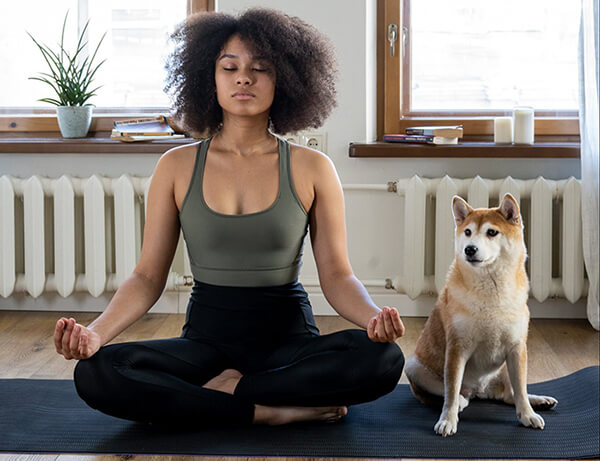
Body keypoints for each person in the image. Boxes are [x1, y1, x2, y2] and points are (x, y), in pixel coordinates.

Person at [53, 7, 405, 428]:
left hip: (288, 342)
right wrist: (95, 334)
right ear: (209, 78)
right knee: (97, 372)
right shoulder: (176, 166)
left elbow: (337, 276)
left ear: (286, 81)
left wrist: (372, 320)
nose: (244, 78)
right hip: (206, 342)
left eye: (260, 68)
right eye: (229, 67)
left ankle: (226, 395)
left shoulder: (313, 168)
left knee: (384, 359)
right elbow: (147, 277)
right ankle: (266, 410)